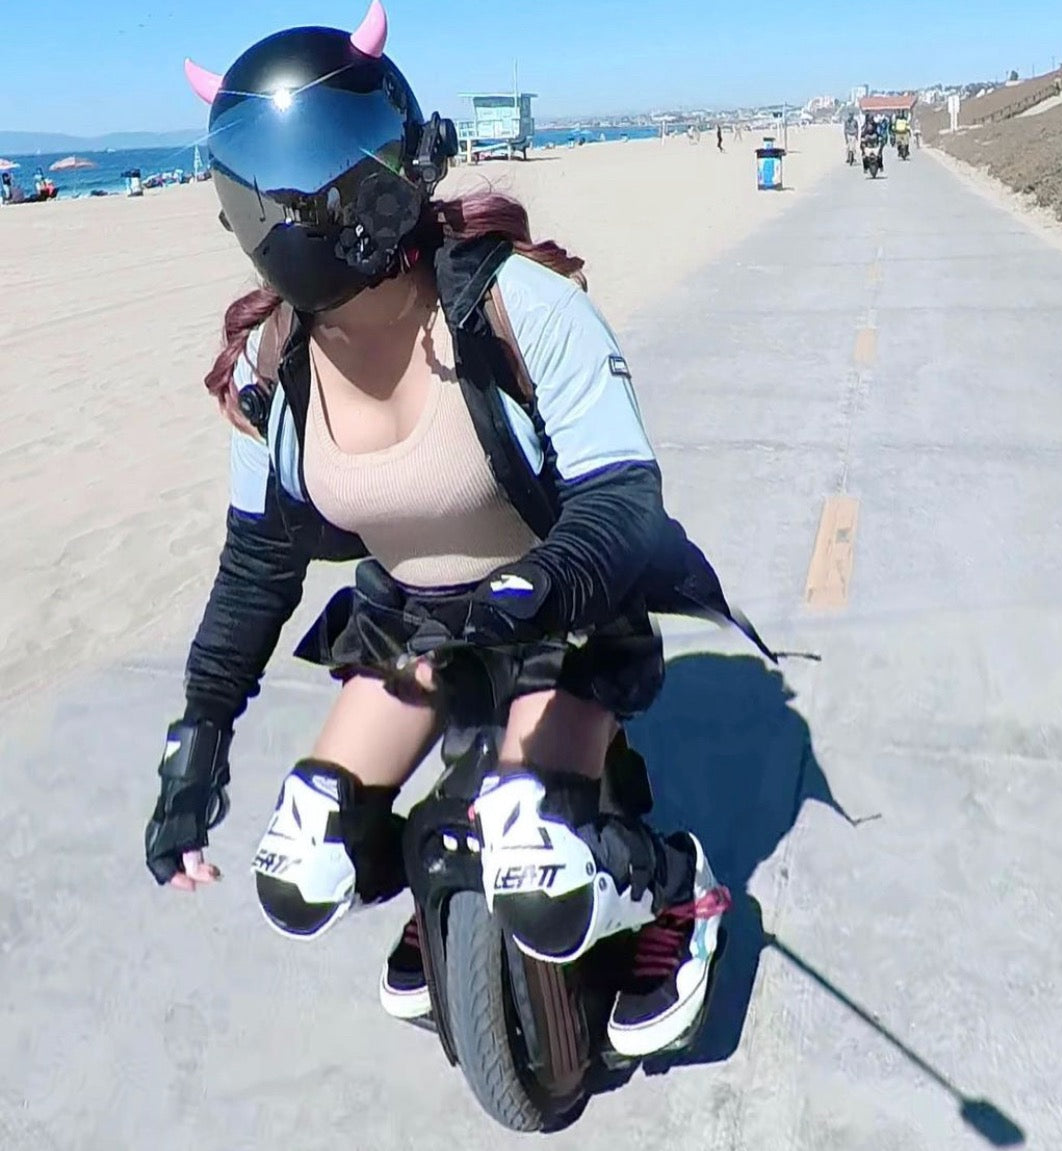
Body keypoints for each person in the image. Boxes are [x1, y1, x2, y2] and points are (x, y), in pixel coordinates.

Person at [147, 0, 775, 1061]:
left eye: (320, 169)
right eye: (269, 179)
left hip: (559, 607)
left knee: (542, 876)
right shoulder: (275, 366)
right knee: (299, 875)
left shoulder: (517, 307)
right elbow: (258, 557)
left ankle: (686, 893)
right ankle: (442, 879)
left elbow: (625, 498)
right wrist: (199, 732)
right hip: (413, 623)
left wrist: (541, 589)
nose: (297, 208)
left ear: (392, 166)